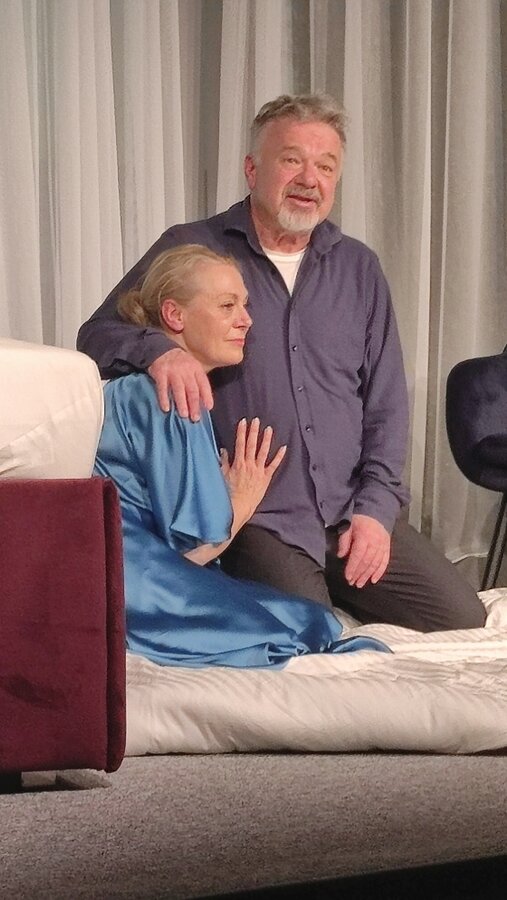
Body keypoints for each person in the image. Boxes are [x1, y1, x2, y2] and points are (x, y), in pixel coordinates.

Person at [80, 93, 485, 633]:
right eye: (292, 159)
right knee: (310, 634)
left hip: (348, 508)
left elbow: (386, 404)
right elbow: (96, 336)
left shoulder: (359, 268)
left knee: (463, 619)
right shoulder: (191, 246)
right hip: (259, 518)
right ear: (253, 169)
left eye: (326, 166)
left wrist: (375, 510)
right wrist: (161, 351)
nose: (309, 178)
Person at [94, 243, 386, 667]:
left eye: (245, 305)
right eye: (227, 306)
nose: (246, 319)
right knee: (295, 632)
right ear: (175, 315)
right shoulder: (172, 393)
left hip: (133, 572)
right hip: (134, 585)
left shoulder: (150, 387)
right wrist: (242, 501)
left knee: (313, 619)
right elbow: (194, 551)